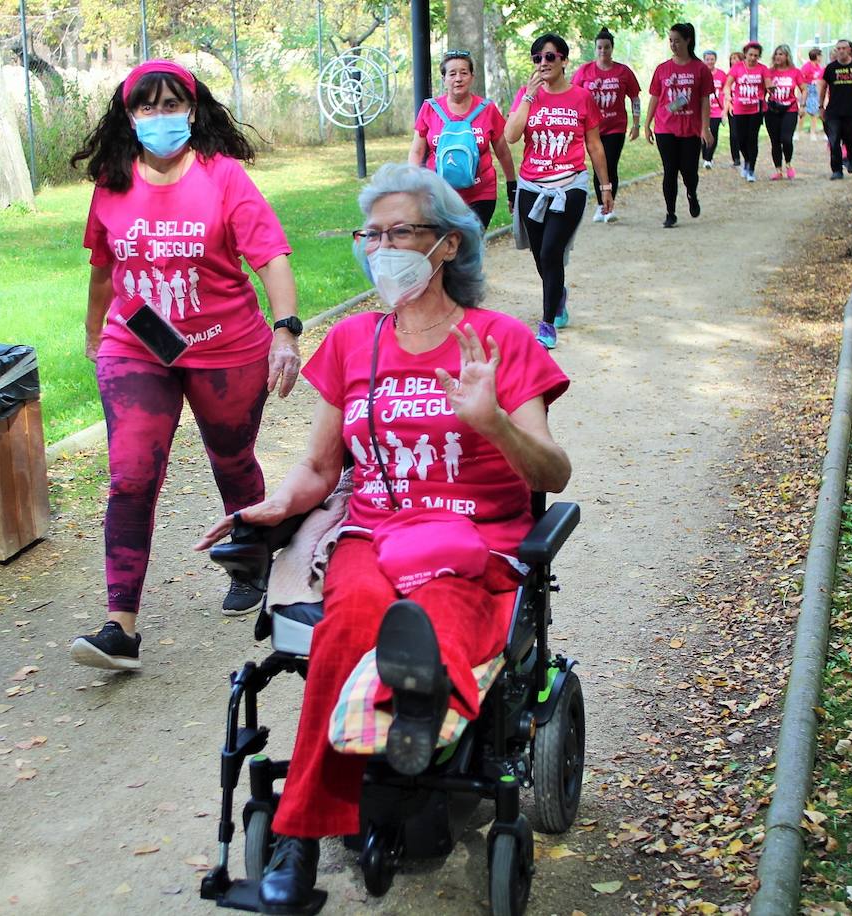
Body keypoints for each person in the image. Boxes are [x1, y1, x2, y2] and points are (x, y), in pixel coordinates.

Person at [194, 163, 571, 912]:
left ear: (447, 246)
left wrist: (491, 420)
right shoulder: (350, 342)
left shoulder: (496, 342)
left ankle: (415, 707)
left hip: (475, 536)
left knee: (442, 610)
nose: (383, 246)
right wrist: (272, 507)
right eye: (373, 233)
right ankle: (300, 851)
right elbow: (318, 466)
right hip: (375, 529)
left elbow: (552, 472)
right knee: (349, 620)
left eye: (403, 231)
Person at [69, 60, 303, 671]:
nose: (159, 117)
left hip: (226, 345)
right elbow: (103, 266)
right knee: (130, 473)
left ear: (193, 111)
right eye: (146, 108)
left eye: (172, 105)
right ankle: (119, 626)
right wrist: (95, 334)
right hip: (137, 342)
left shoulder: (223, 178)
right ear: (129, 117)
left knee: (231, 457)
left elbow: (272, 257)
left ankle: (253, 559)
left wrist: (285, 331)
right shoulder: (112, 181)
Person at [504, 32, 612, 349]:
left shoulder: (581, 98)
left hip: (570, 184)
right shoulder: (527, 94)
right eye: (537, 58)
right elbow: (511, 135)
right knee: (541, 257)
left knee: (552, 251)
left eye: (550, 57)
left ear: (564, 61)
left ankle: (547, 323)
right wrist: (528, 97)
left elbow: (594, 145)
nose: (543, 63)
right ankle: (558, 294)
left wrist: (605, 186)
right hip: (531, 185)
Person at [409, 50, 517, 230]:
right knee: (444, 251)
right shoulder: (430, 108)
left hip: (481, 194)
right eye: (452, 74)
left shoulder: (487, 109)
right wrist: (412, 184)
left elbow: (503, 151)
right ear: (444, 79)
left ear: (472, 77)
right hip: (439, 194)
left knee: (470, 250)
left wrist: (512, 186)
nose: (458, 78)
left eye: (464, 73)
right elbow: (417, 151)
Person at [644, 23, 714, 228]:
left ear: (688, 41)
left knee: (689, 170)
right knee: (670, 170)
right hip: (665, 127)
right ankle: (670, 212)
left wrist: (705, 128)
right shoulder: (662, 69)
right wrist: (647, 124)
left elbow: (704, 100)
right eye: (670, 41)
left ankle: (692, 194)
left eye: (677, 40)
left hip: (691, 128)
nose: (673, 45)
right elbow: (655, 97)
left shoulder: (700, 68)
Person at [571, 27, 641, 223]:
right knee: (597, 166)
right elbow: (573, 95)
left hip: (615, 127)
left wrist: (636, 124)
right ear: (595, 49)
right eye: (600, 47)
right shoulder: (584, 71)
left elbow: (635, 97)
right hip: (592, 128)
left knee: (610, 165)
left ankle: (608, 206)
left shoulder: (623, 71)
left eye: (607, 47)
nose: (603, 51)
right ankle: (602, 205)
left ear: (612, 48)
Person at [819, 39, 852, 179]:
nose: (841, 51)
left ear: (849, 50)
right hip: (834, 110)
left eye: (844, 48)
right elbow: (823, 87)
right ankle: (836, 169)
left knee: (851, 138)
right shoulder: (831, 67)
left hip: (850, 109)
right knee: (834, 139)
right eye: (839, 48)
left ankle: (851, 156)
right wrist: (821, 106)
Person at [727, 41, 769, 182]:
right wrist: (728, 96)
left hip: (755, 109)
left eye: (756, 56)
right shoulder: (738, 67)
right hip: (739, 108)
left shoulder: (763, 69)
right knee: (740, 139)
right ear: (745, 54)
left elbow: (768, 84)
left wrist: (772, 89)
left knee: (752, 139)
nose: (752, 58)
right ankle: (746, 160)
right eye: (750, 55)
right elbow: (727, 85)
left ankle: (751, 168)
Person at [764, 44, 805, 181]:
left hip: (790, 108)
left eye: (781, 54)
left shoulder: (795, 72)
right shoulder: (768, 72)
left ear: (787, 56)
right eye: (776, 54)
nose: (778, 57)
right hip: (773, 110)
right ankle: (778, 170)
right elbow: (762, 89)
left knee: (786, 139)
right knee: (775, 141)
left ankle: (788, 164)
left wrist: (802, 105)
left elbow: (804, 89)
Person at [702, 49, 728, 168]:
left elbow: (726, 92)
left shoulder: (722, 75)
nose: (710, 62)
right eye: (707, 59)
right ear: (704, 60)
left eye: (712, 59)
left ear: (715, 60)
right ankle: (704, 156)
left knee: (713, 133)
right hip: (702, 110)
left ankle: (709, 157)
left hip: (717, 110)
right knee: (702, 133)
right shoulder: (700, 73)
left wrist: (725, 110)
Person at [725, 50, 745, 169]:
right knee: (733, 134)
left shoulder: (745, 74)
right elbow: (725, 91)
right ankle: (736, 158)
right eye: (732, 58)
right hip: (731, 107)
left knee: (743, 134)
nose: (734, 60)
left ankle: (746, 155)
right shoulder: (728, 76)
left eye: (737, 58)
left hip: (744, 107)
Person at [800, 48, 825, 139]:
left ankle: (813, 133)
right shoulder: (807, 66)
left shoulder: (819, 67)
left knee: (814, 112)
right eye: (820, 56)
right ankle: (798, 131)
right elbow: (802, 79)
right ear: (816, 56)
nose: (821, 58)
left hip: (816, 90)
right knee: (803, 112)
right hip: (808, 89)